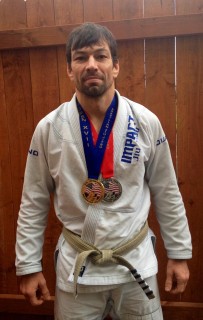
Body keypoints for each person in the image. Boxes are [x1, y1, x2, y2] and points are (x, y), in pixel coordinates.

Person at [15, 22, 192, 320]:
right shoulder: (49, 129)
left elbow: (167, 191)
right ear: (70, 69)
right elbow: (33, 200)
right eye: (81, 57)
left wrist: (179, 254)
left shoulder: (145, 122)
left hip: (136, 264)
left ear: (116, 66)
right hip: (77, 271)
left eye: (101, 56)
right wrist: (28, 266)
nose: (91, 65)